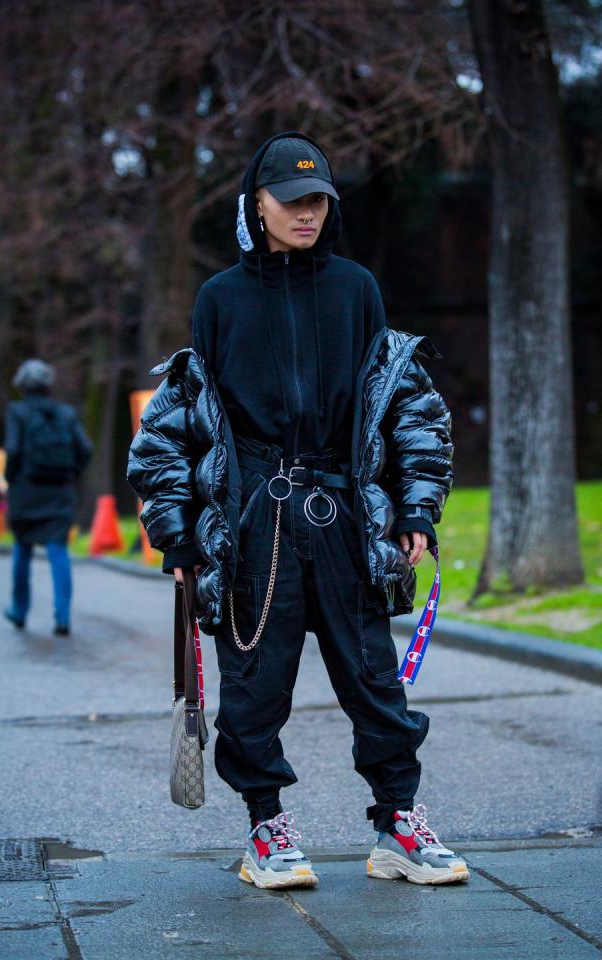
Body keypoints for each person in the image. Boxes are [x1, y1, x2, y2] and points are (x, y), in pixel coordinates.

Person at [128, 131, 467, 889]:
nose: (307, 213)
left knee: (375, 679)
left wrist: (415, 507)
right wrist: (178, 537)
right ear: (258, 202)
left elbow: (404, 408)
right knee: (254, 684)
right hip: (254, 526)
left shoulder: (356, 289)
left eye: (319, 200)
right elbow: (178, 426)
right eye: (292, 200)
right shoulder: (219, 299)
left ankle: (397, 827)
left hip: (347, 518)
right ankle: (266, 830)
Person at [3, 359, 92, 634]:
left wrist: (10, 478)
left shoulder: (17, 411)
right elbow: (85, 449)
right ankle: (62, 617)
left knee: (22, 549)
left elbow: (14, 449)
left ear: (21, 384)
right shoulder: (65, 413)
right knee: (58, 551)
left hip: (26, 491)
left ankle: (19, 611)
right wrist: (69, 475)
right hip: (59, 491)